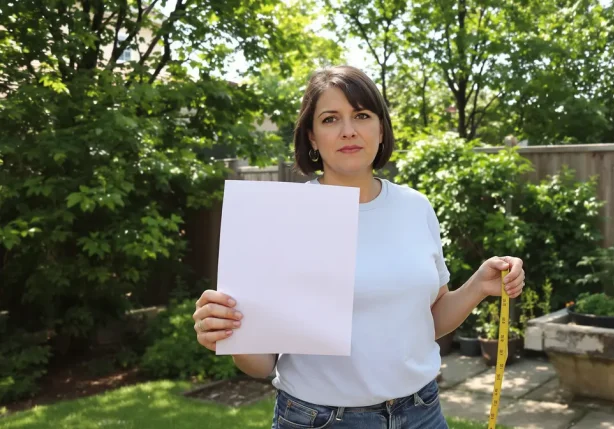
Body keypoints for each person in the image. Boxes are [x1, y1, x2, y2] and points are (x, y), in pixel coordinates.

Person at [191, 65, 526, 428]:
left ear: (380, 129)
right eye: (331, 119)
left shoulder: (416, 206)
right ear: (312, 137)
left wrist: (478, 286)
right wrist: (228, 332)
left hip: (422, 412)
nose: (348, 130)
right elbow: (261, 363)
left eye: (361, 115)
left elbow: (425, 323)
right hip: (320, 419)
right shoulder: (281, 217)